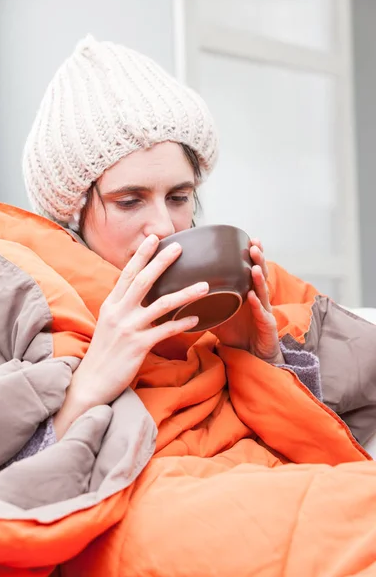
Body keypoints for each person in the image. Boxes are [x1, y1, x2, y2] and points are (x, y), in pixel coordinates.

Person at [20, 34, 320, 445]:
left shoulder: (260, 288)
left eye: (179, 198)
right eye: (129, 201)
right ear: (72, 214)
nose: (164, 226)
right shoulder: (20, 310)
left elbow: (328, 440)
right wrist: (91, 382)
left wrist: (263, 358)